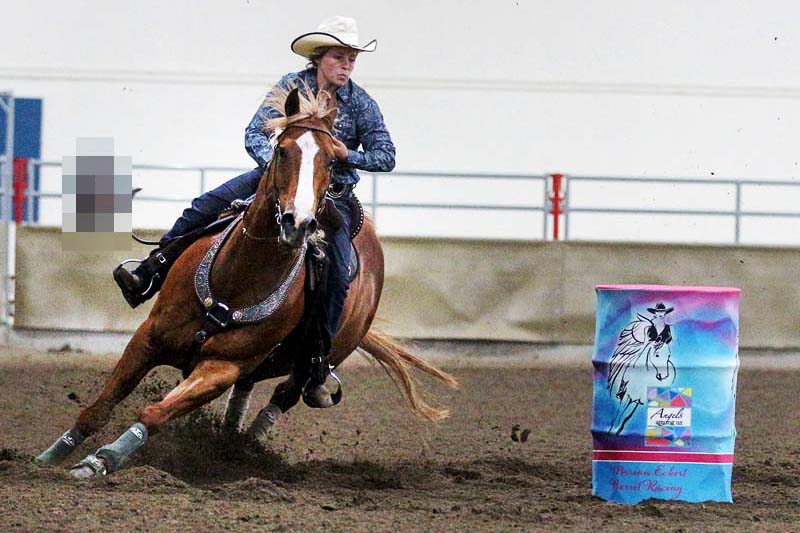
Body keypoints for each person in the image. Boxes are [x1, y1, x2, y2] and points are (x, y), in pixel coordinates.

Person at [113, 16, 396, 407]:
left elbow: (386, 156)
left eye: (351, 59)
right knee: (204, 207)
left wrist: (347, 153)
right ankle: (149, 271)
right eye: (339, 57)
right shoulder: (289, 87)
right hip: (275, 178)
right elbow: (253, 133)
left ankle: (315, 363)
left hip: (332, 194)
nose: (346, 65)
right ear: (319, 58)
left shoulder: (362, 104)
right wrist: (279, 172)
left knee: (337, 268)